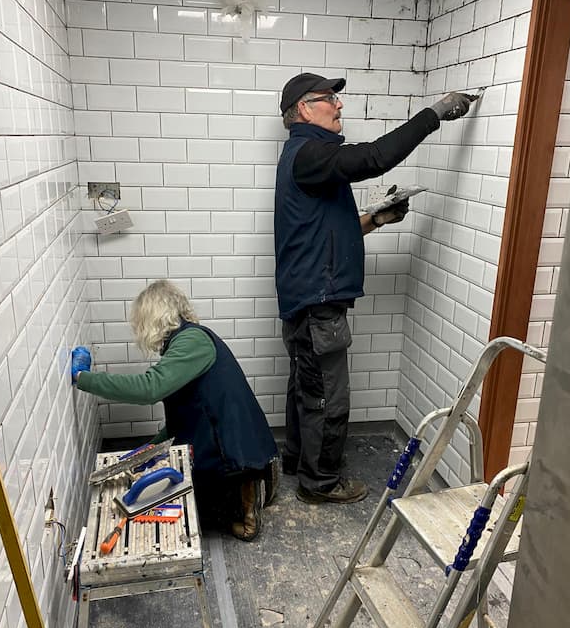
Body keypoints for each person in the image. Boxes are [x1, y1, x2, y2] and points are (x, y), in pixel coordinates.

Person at [275, 72, 476, 505]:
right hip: (318, 302)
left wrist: (376, 219)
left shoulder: (306, 160)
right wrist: (435, 113)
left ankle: (297, 461)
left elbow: (322, 232)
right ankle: (321, 483)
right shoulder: (309, 152)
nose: (339, 105)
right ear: (305, 109)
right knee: (329, 397)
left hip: (305, 299)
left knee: (307, 388)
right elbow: (374, 158)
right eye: (330, 98)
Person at [72, 280, 279, 542]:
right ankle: (244, 486)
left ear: (152, 318)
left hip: (235, 456)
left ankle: (246, 496)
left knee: (194, 512)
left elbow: (149, 388)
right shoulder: (187, 343)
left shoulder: (192, 341)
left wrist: (83, 378)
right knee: (182, 498)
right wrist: (149, 450)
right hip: (229, 446)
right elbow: (184, 419)